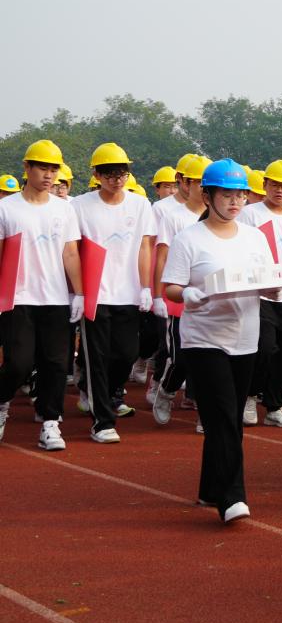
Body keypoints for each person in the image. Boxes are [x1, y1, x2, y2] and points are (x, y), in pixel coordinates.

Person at [161, 159, 274, 523]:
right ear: (207, 196)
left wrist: (274, 287)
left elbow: (268, 278)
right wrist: (188, 294)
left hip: (246, 338)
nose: (235, 201)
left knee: (227, 419)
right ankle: (232, 497)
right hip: (204, 340)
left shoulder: (255, 238)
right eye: (227, 194)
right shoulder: (189, 239)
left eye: (240, 195)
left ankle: (210, 488)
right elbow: (170, 287)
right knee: (224, 416)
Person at [0, 140, 84, 452]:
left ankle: (50, 423)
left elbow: (70, 252)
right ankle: (2, 402)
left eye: (53, 170)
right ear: (27, 168)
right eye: (43, 168)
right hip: (18, 298)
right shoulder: (6, 208)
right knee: (18, 364)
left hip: (55, 299)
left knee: (56, 365)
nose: (49, 175)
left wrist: (79, 293)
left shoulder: (64, 209)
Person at [71, 142, 158, 443]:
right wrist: (78, 292)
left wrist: (145, 287)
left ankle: (99, 393)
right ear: (96, 174)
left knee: (126, 354)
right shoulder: (79, 206)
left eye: (121, 173)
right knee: (97, 357)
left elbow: (145, 247)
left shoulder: (140, 205)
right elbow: (73, 250)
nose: (116, 179)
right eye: (108, 173)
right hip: (95, 294)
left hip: (128, 292)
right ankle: (102, 422)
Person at [238, 159, 282, 428]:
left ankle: (275, 406)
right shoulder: (249, 214)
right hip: (261, 293)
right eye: (275, 184)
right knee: (264, 347)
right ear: (265, 184)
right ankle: (250, 396)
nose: (280, 190)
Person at [151, 155, 212, 426]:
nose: (204, 188)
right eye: (198, 182)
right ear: (185, 183)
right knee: (181, 358)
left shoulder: (219, 218)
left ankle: (206, 414)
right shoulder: (172, 217)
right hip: (179, 297)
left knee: (210, 357)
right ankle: (166, 390)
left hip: (211, 298)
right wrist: (158, 294)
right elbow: (162, 257)